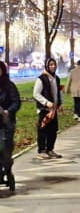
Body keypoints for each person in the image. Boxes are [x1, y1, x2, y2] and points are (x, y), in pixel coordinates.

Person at [33, 58, 64, 160]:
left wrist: (60, 104)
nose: (53, 66)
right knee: (43, 130)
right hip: (44, 109)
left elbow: (58, 93)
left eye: (54, 64)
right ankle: (41, 150)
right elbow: (36, 94)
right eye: (51, 65)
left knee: (53, 130)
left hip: (53, 110)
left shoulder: (56, 78)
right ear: (47, 66)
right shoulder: (41, 79)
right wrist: (46, 103)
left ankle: (50, 149)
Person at [0, 61, 20, 190]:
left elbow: (16, 102)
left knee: (5, 150)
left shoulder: (9, 86)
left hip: (6, 123)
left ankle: (7, 170)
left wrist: (8, 111)